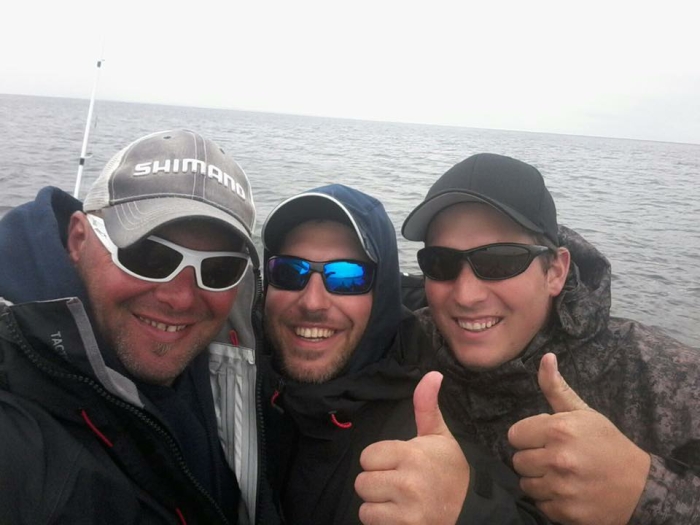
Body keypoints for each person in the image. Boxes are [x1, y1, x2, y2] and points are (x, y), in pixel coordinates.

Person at [401, 152, 700, 524]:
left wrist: (645, 494)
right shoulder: (405, 347)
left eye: (499, 261)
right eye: (441, 263)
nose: (466, 295)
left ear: (555, 272)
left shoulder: (669, 379)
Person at [0, 129, 266, 524]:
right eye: (150, 256)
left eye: (219, 269)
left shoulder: (240, 344)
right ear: (78, 239)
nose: (181, 298)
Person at [258, 184, 549, 524]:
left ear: (382, 294)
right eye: (289, 272)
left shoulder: (423, 426)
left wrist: (466, 511)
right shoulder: (233, 381)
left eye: (347, 277)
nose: (312, 302)